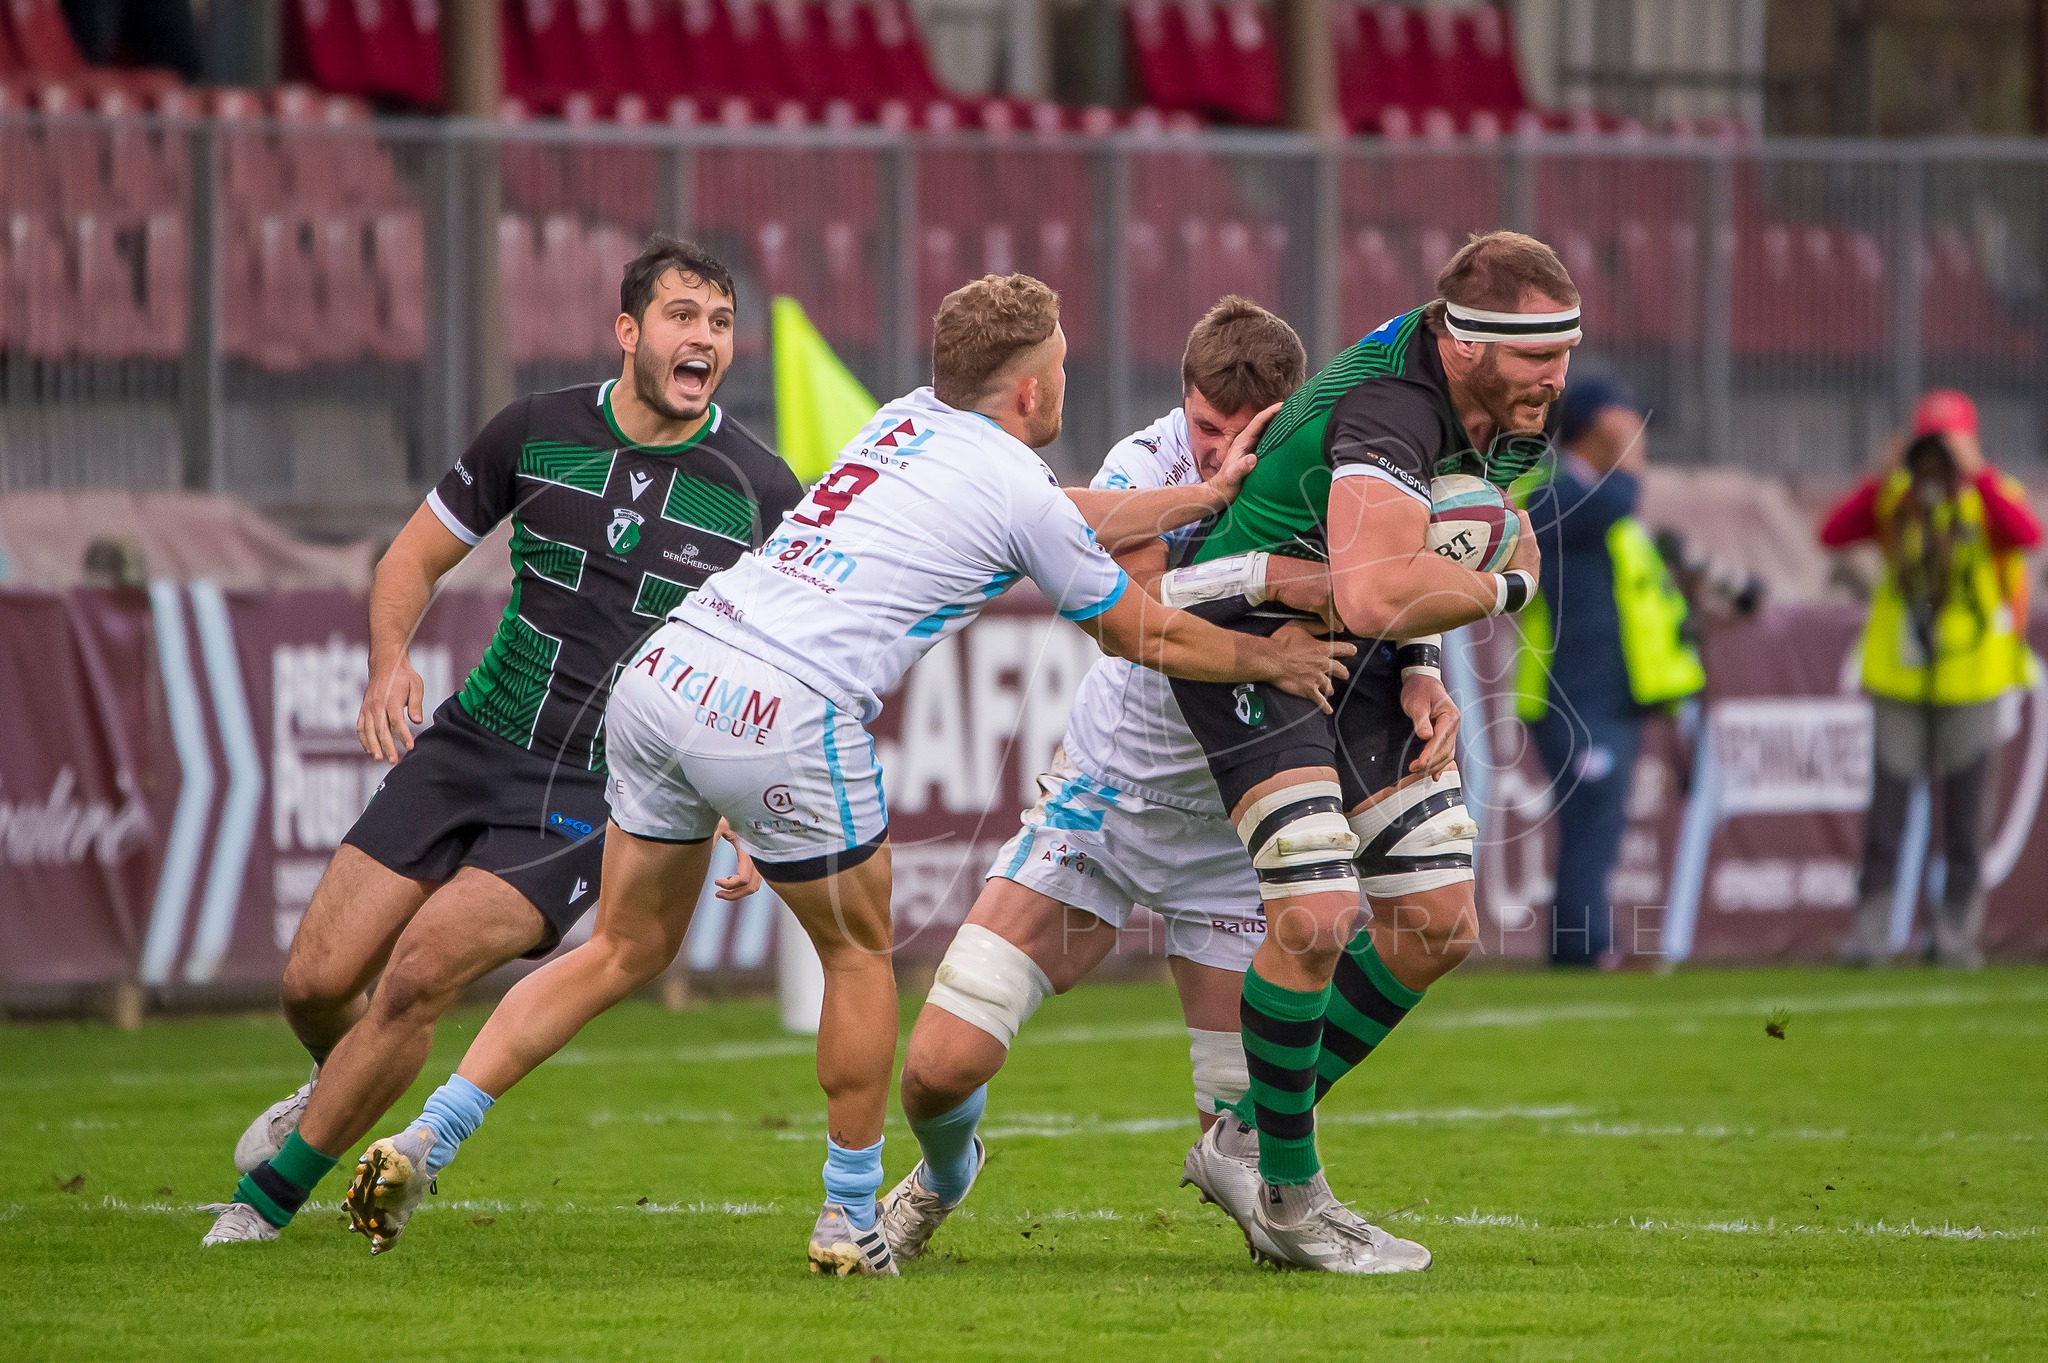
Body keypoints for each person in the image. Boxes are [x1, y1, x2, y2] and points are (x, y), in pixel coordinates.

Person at [344, 274, 1352, 1276]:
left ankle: (432, 1133)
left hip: (667, 668)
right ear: (1031, 390)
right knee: (858, 958)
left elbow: (1062, 512)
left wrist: (1200, 497)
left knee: (620, 946)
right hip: (787, 708)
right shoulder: (1015, 483)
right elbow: (1136, 631)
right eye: (1054, 368)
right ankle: (849, 1214)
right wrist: (1268, 656)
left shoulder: (902, 418)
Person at [201, 237, 800, 1246]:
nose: (704, 337)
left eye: (721, 322)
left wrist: (742, 796)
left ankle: (262, 1207)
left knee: (419, 973)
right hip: (471, 742)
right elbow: (410, 558)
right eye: (682, 316)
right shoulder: (534, 430)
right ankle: (334, 1085)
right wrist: (389, 661)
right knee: (314, 982)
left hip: (591, 789)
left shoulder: (760, 490)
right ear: (628, 331)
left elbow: (778, 662)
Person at [883, 298, 1452, 1269]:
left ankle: (1295, 1210)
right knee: (938, 1068)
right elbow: (1138, 613)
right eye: (1204, 426)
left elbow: (1395, 575)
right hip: (1105, 807)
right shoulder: (1145, 465)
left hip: (1233, 838)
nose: (1220, 450)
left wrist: (1420, 666)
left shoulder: (1335, 464)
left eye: (1245, 431)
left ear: (1291, 413)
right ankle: (940, 1174)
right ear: (1182, 403)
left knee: (1249, 1147)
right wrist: (1277, 589)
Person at [1152, 231, 1576, 1273]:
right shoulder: (1391, 405)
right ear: (1465, 344)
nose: (1556, 375)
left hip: (1361, 646)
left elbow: (1434, 555)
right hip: (1244, 632)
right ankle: (1291, 1197)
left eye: (1565, 350)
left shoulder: (1515, 412)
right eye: (1535, 354)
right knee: (1315, 911)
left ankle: (1240, 1140)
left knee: (1437, 922)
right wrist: (1507, 591)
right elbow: (1385, 585)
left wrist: (1424, 661)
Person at [1822, 389, 2040, 968]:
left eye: (1950, 443)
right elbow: (1833, 533)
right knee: (1886, 817)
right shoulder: (1898, 498)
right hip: (1901, 679)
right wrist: (1881, 479)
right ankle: (1871, 936)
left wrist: (1978, 476)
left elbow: (2027, 535)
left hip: (1974, 679)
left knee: (1966, 822)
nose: (1938, 457)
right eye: (1930, 442)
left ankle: (1955, 937)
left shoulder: (1992, 494)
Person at [1515, 378, 1704, 968]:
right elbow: (1614, 503)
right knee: (1590, 820)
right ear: (1594, 426)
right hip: (1570, 692)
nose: (1634, 434)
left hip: (1613, 693)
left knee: (1599, 822)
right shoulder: (1551, 490)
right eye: (1623, 422)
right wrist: (1630, 457)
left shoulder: (1594, 494)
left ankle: (1587, 942)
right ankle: (1585, 947)